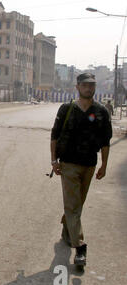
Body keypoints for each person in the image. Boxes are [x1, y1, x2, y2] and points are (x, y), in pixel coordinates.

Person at [50, 73, 112, 269]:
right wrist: (54, 161)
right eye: (85, 85)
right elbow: (54, 136)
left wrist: (104, 165)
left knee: (77, 204)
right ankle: (81, 247)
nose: (88, 88)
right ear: (77, 87)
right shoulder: (67, 109)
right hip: (69, 164)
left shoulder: (101, 111)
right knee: (72, 205)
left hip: (89, 165)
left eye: (91, 85)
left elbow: (105, 141)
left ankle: (67, 229)